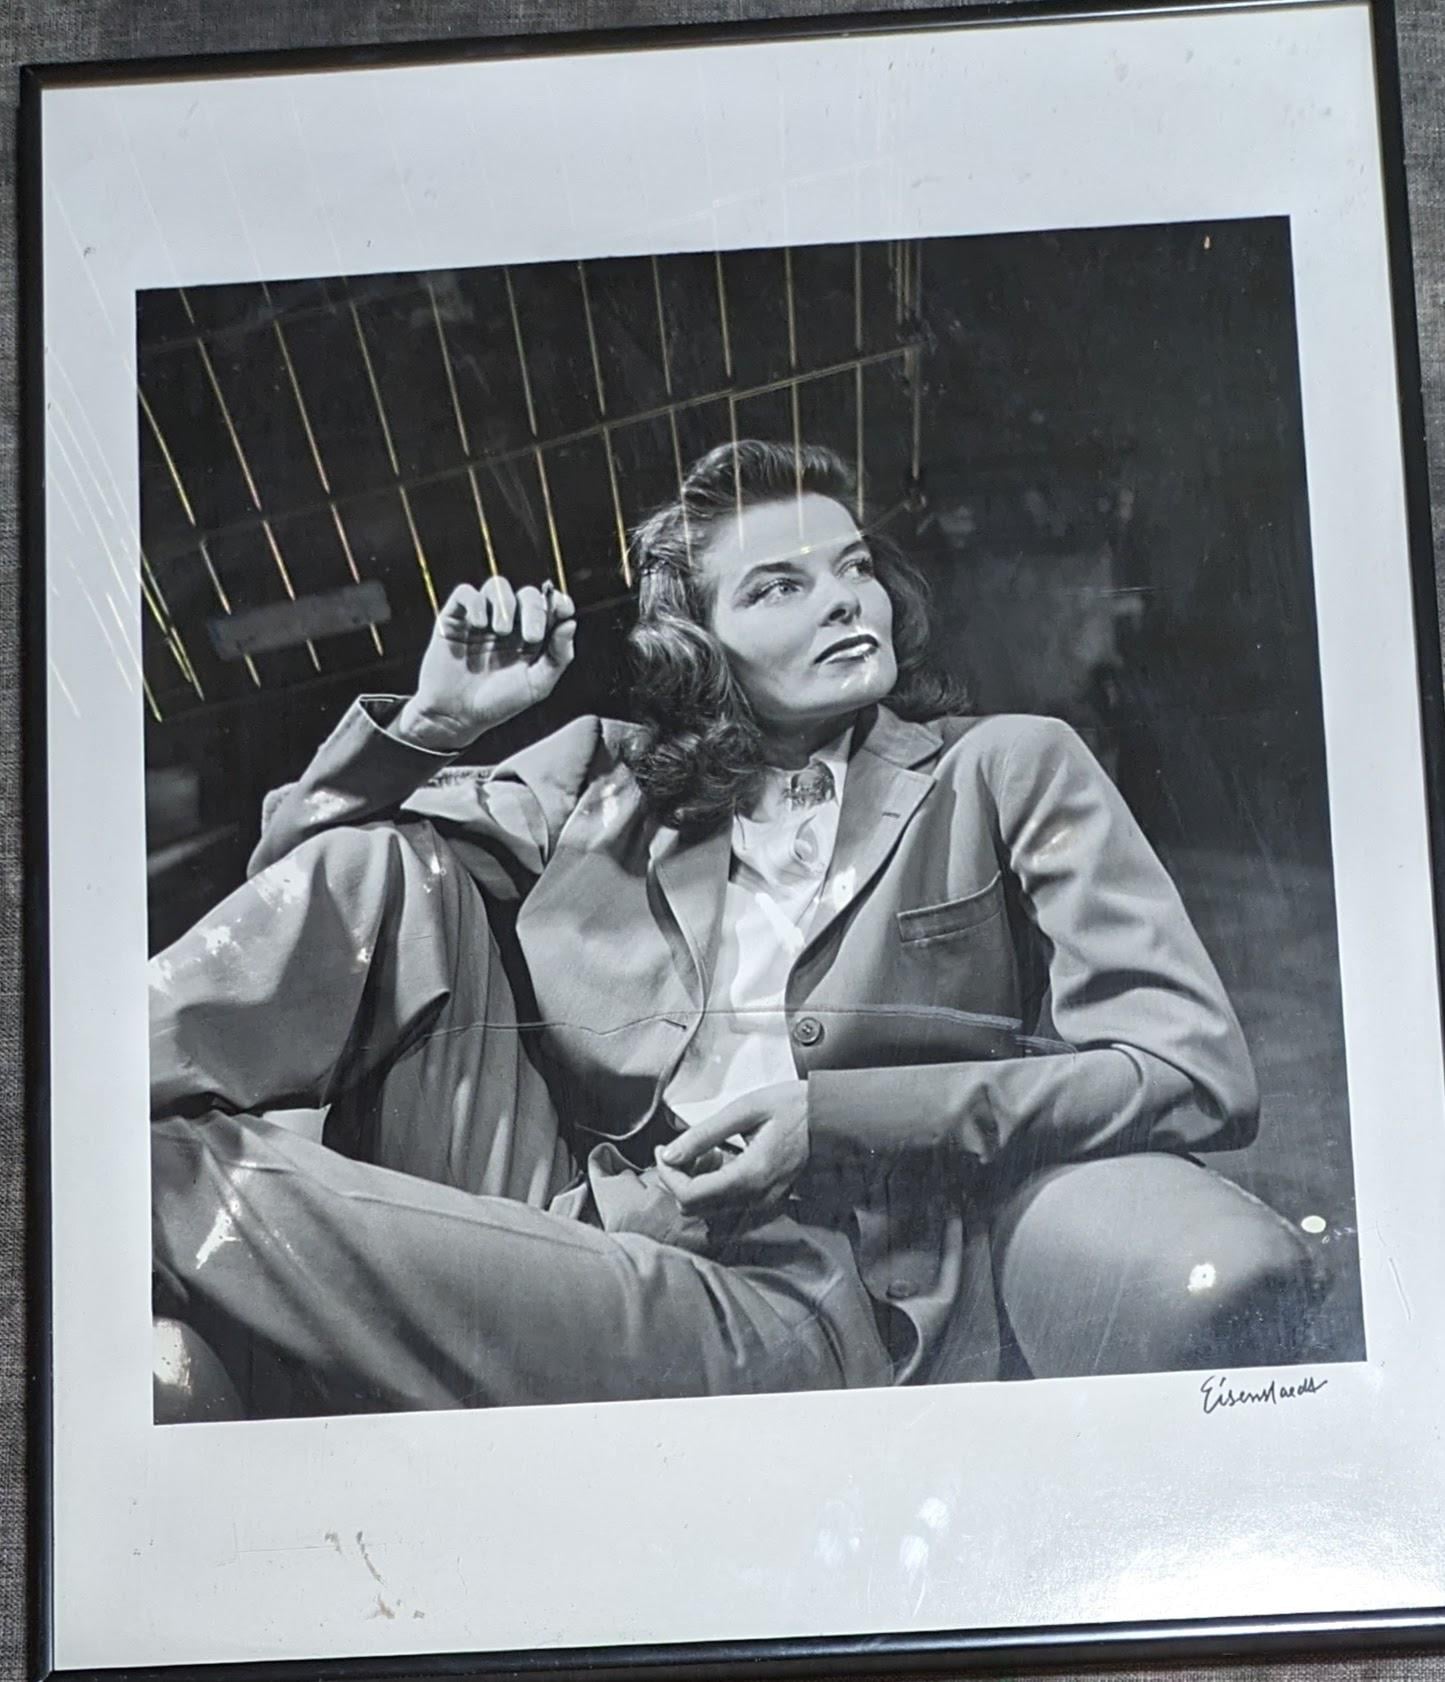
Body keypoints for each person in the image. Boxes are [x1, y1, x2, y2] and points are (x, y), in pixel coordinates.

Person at [151, 439, 1272, 1418]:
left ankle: (94, 1161)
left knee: (155, 1172)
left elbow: (1191, 1067)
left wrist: (831, 1119)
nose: (844, 600)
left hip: (788, 1282)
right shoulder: (610, 770)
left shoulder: (1003, 766)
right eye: (778, 587)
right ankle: (95, 1096)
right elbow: (298, 885)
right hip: (545, 1211)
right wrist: (436, 723)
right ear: (699, 645)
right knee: (392, 862)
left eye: (852, 568)